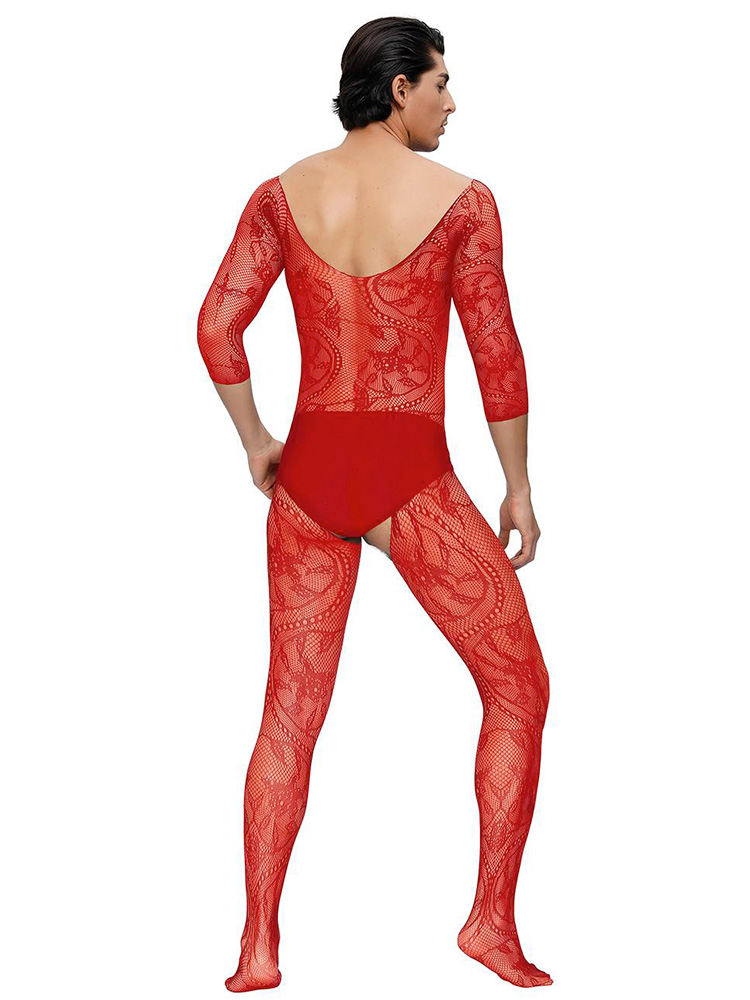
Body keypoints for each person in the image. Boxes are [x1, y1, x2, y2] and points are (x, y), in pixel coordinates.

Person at [196, 16, 552, 992]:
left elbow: (218, 327)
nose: (451, 102)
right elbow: (496, 353)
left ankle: (257, 946)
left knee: (288, 714)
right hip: (410, 478)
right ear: (399, 88)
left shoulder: (282, 194)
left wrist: (258, 442)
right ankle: (489, 922)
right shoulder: (463, 203)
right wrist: (518, 486)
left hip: (309, 479)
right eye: (441, 83)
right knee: (519, 687)